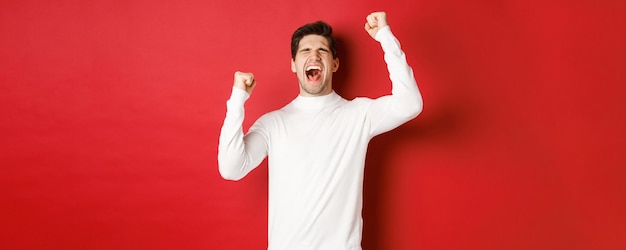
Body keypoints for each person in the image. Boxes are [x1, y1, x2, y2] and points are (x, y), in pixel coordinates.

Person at [218, 12, 423, 250]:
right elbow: (231, 168)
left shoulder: (358, 115)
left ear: (334, 64)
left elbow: (410, 103)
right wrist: (237, 99)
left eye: (322, 51)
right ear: (294, 64)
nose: (314, 55)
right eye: (305, 51)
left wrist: (385, 37)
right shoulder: (273, 124)